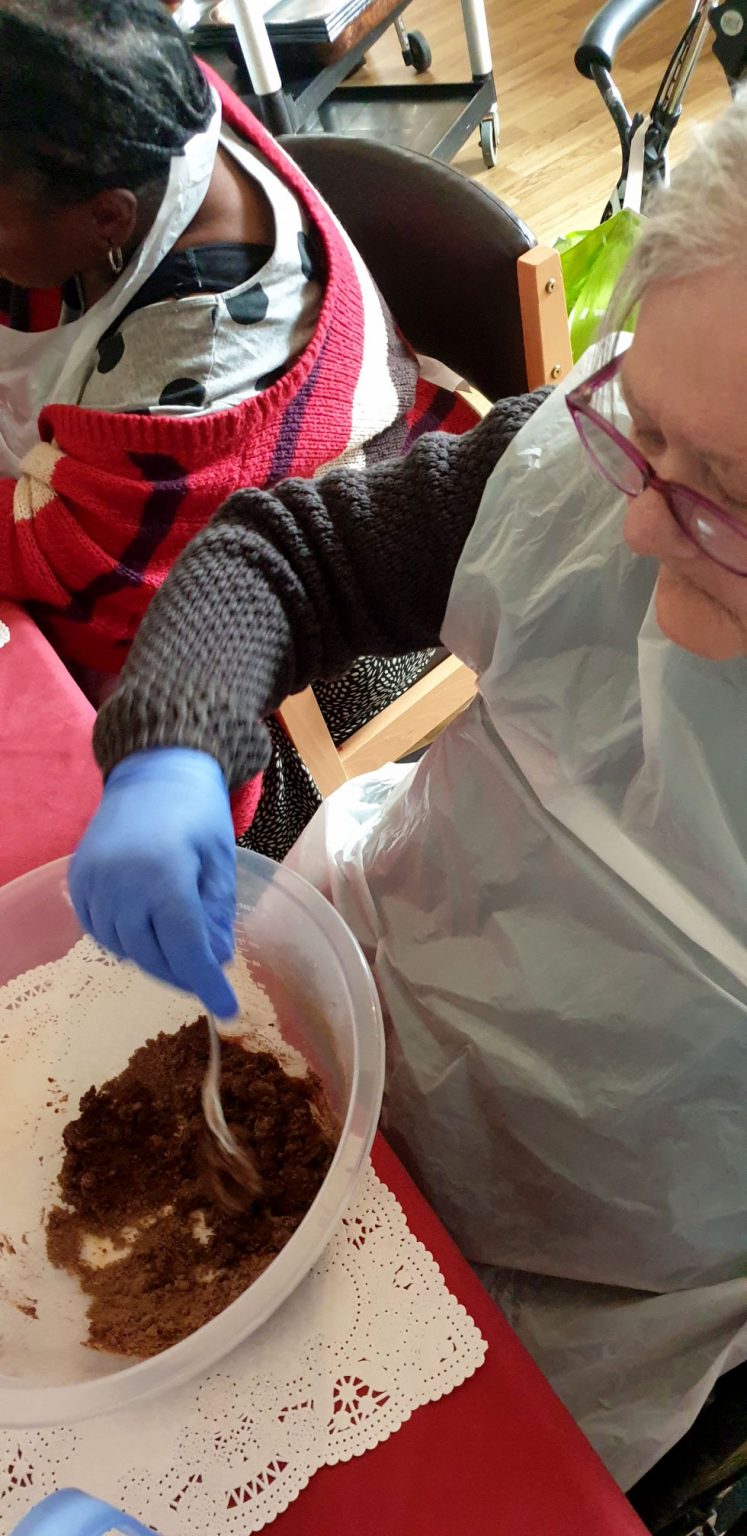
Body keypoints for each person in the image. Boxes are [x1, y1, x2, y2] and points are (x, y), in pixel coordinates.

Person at [69, 94, 747, 1488]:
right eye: (643, 433)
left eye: (723, 492)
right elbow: (287, 557)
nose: (633, 521)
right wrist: (175, 748)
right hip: (364, 991)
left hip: (609, 1260)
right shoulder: (593, 477)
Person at [0, 0, 474, 855]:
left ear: (107, 219)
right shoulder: (135, 102)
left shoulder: (194, 391)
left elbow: (68, 567)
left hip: (285, 656)